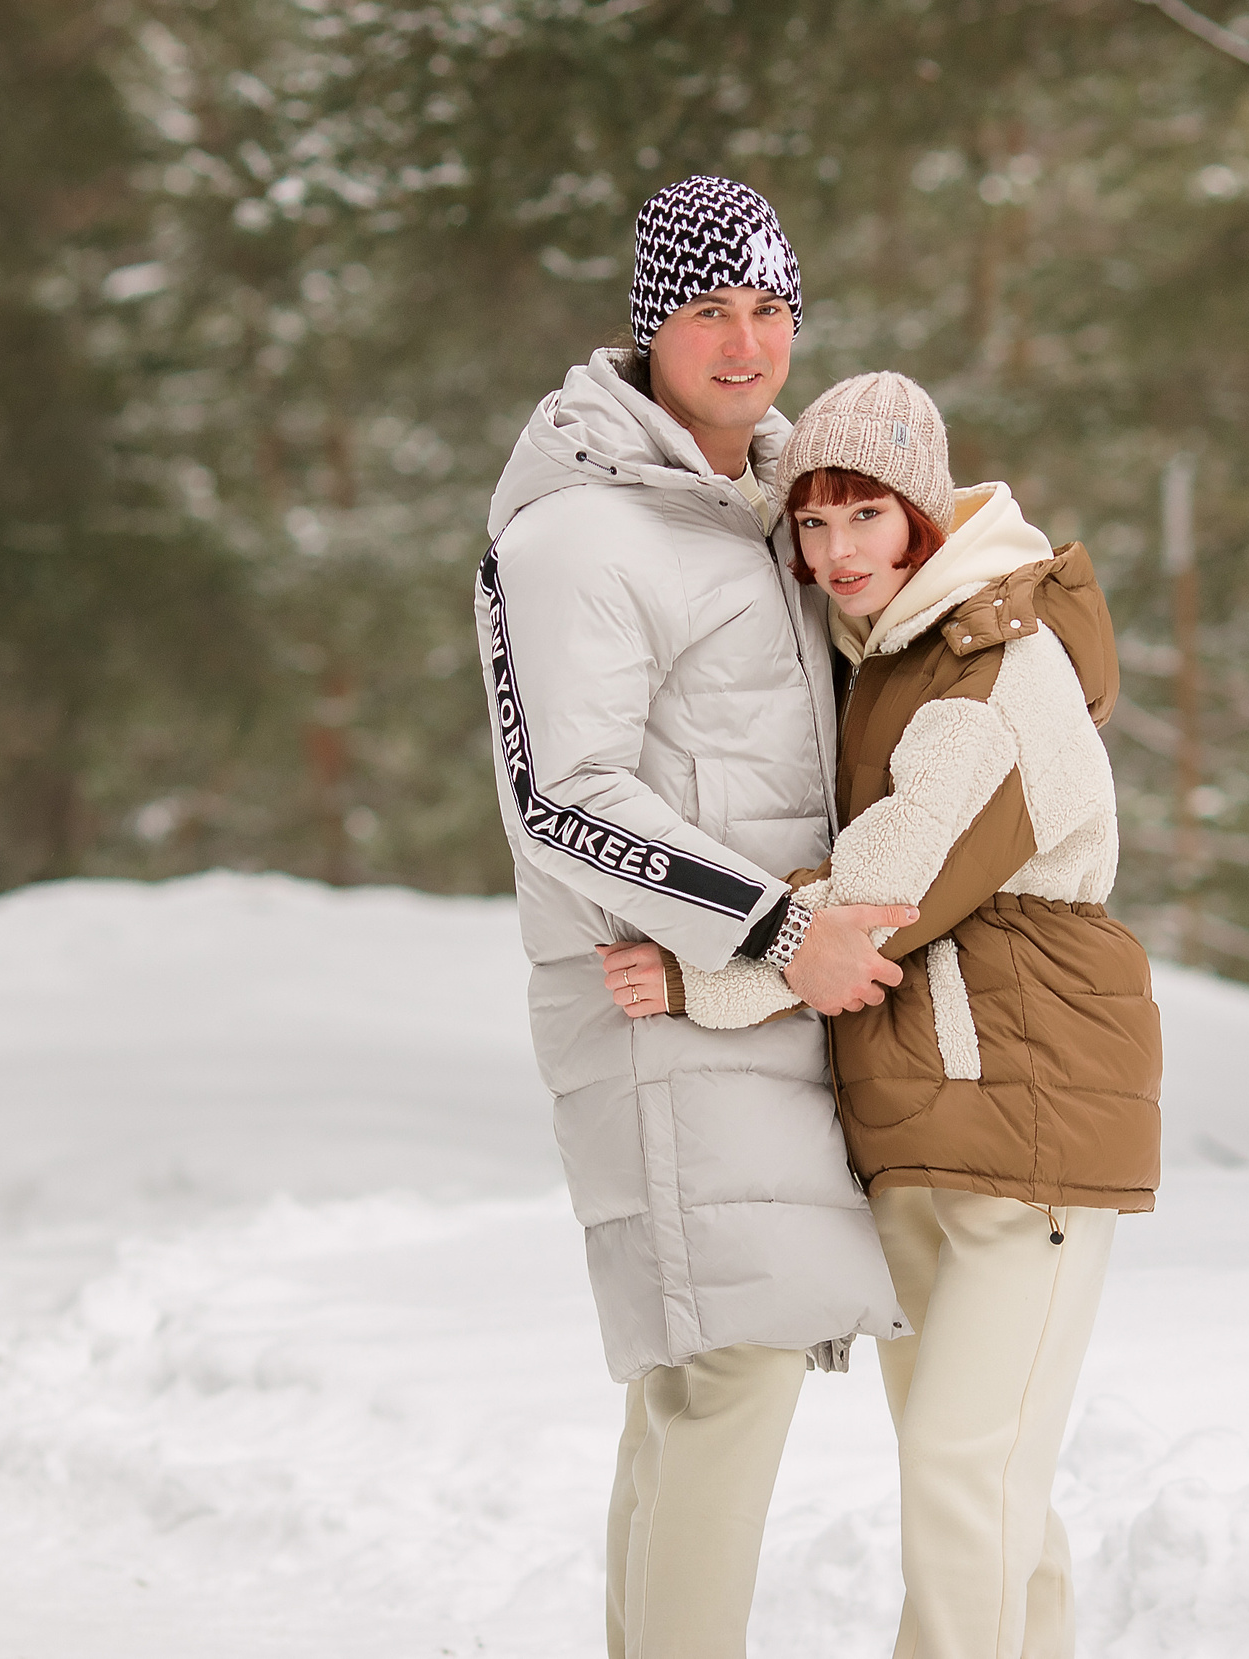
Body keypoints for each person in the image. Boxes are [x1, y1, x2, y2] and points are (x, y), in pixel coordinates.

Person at [603, 371, 1163, 1659]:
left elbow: (884, 889)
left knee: (964, 1470)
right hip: (923, 1115)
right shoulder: (892, 656)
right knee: (988, 1482)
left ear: (923, 512)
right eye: (812, 522)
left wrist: (705, 973)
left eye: (865, 515)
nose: (836, 551)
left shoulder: (995, 671)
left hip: (1026, 1118)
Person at [476, 178, 916, 1659]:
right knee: (733, 1369)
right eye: (710, 311)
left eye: (771, 308)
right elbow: (560, 797)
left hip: (753, 999)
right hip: (661, 1003)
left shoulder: (777, 510)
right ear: (649, 326)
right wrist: (778, 932)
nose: (746, 343)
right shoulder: (581, 532)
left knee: (696, 1386)